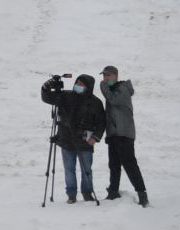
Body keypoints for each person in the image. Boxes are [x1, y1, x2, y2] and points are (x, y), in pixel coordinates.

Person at [40, 74, 107, 204]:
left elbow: (101, 123)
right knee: (69, 169)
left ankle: (87, 193)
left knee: (86, 169)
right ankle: (71, 194)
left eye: (81, 84)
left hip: (86, 141)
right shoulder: (66, 96)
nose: (78, 86)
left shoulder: (96, 102)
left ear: (88, 87)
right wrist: (46, 86)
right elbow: (47, 97)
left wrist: (95, 138)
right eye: (77, 83)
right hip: (66, 139)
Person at [100, 65, 148, 206]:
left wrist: (103, 87)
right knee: (113, 165)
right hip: (114, 134)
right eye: (104, 76)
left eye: (108, 75)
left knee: (129, 165)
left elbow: (113, 100)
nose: (105, 78)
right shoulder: (113, 89)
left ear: (116, 75)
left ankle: (142, 194)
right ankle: (113, 192)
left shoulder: (122, 89)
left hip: (124, 134)